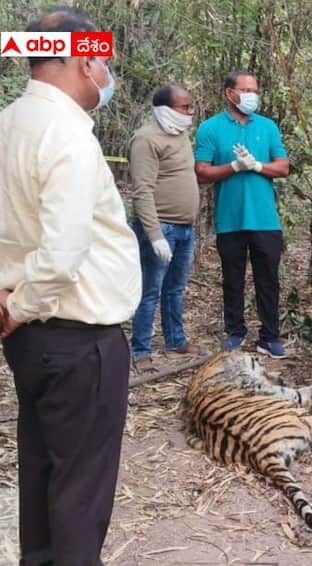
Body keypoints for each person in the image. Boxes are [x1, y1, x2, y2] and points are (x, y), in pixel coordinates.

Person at [0, 7, 141, 564]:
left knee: (42, 471)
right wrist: (22, 306)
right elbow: (61, 255)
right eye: (102, 59)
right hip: (78, 338)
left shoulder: (9, 122)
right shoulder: (68, 136)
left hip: (29, 337)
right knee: (80, 492)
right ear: (83, 59)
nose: (106, 74)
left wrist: (12, 307)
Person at [195, 70, 290, 358]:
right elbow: (202, 172)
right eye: (245, 89)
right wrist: (234, 167)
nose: (252, 95)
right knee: (232, 278)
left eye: (255, 90)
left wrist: (256, 166)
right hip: (230, 219)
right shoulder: (210, 128)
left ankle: (270, 336)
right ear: (229, 93)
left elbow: (283, 166)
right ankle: (235, 332)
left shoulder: (268, 127)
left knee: (268, 279)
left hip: (265, 219)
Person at [129, 84, 201, 372]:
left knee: (175, 289)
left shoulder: (180, 134)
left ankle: (175, 340)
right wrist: (154, 235)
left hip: (185, 228)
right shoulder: (145, 140)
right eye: (185, 107)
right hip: (160, 229)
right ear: (165, 109)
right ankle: (141, 350)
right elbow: (142, 191)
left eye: (190, 106)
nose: (190, 112)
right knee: (150, 290)